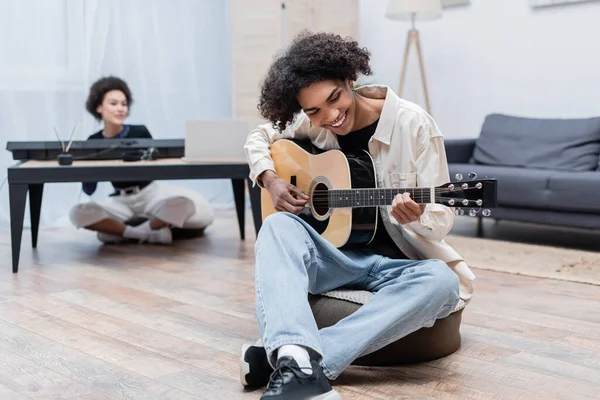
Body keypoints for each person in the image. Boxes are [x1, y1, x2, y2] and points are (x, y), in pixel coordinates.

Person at [240, 32, 476, 400]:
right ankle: (299, 363)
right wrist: (270, 180)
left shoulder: (414, 125)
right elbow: (258, 136)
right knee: (276, 226)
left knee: (442, 283)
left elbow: (442, 217)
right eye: (315, 111)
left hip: (397, 265)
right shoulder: (311, 122)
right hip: (338, 257)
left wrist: (414, 216)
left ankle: (297, 361)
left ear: (351, 80)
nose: (330, 116)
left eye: (334, 98)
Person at [69, 76, 214, 244]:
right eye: (114, 104)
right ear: (99, 107)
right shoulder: (93, 141)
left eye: (124, 104)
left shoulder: (140, 132)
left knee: (185, 204)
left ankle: (125, 233)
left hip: (149, 194)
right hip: (120, 200)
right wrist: (85, 170)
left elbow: (154, 164)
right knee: (77, 213)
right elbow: (89, 190)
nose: (120, 109)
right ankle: (145, 233)